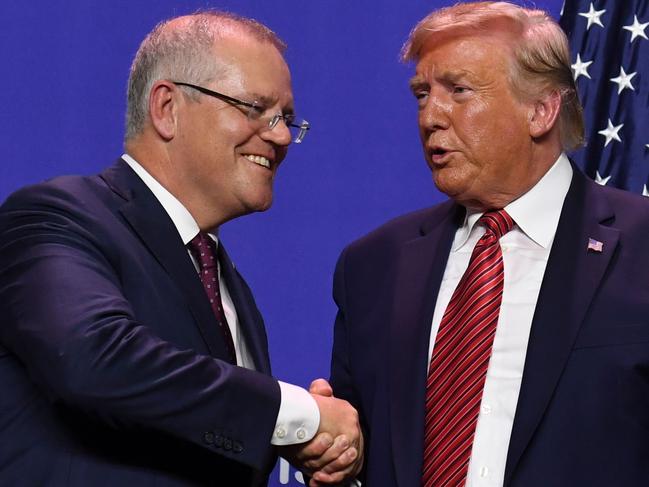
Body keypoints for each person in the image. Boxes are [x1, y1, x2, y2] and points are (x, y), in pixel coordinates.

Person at [0, 11, 362, 487]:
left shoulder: (231, 288)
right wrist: (296, 413)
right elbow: (92, 359)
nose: (278, 136)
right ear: (167, 108)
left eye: (287, 119)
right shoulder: (57, 215)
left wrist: (308, 447)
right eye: (256, 108)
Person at [325, 2, 649, 486]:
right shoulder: (373, 264)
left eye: (458, 90)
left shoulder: (641, 245)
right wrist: (339, 453)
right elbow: (359, 456)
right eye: (421, 94)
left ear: (540, 110)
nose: (430, 116)